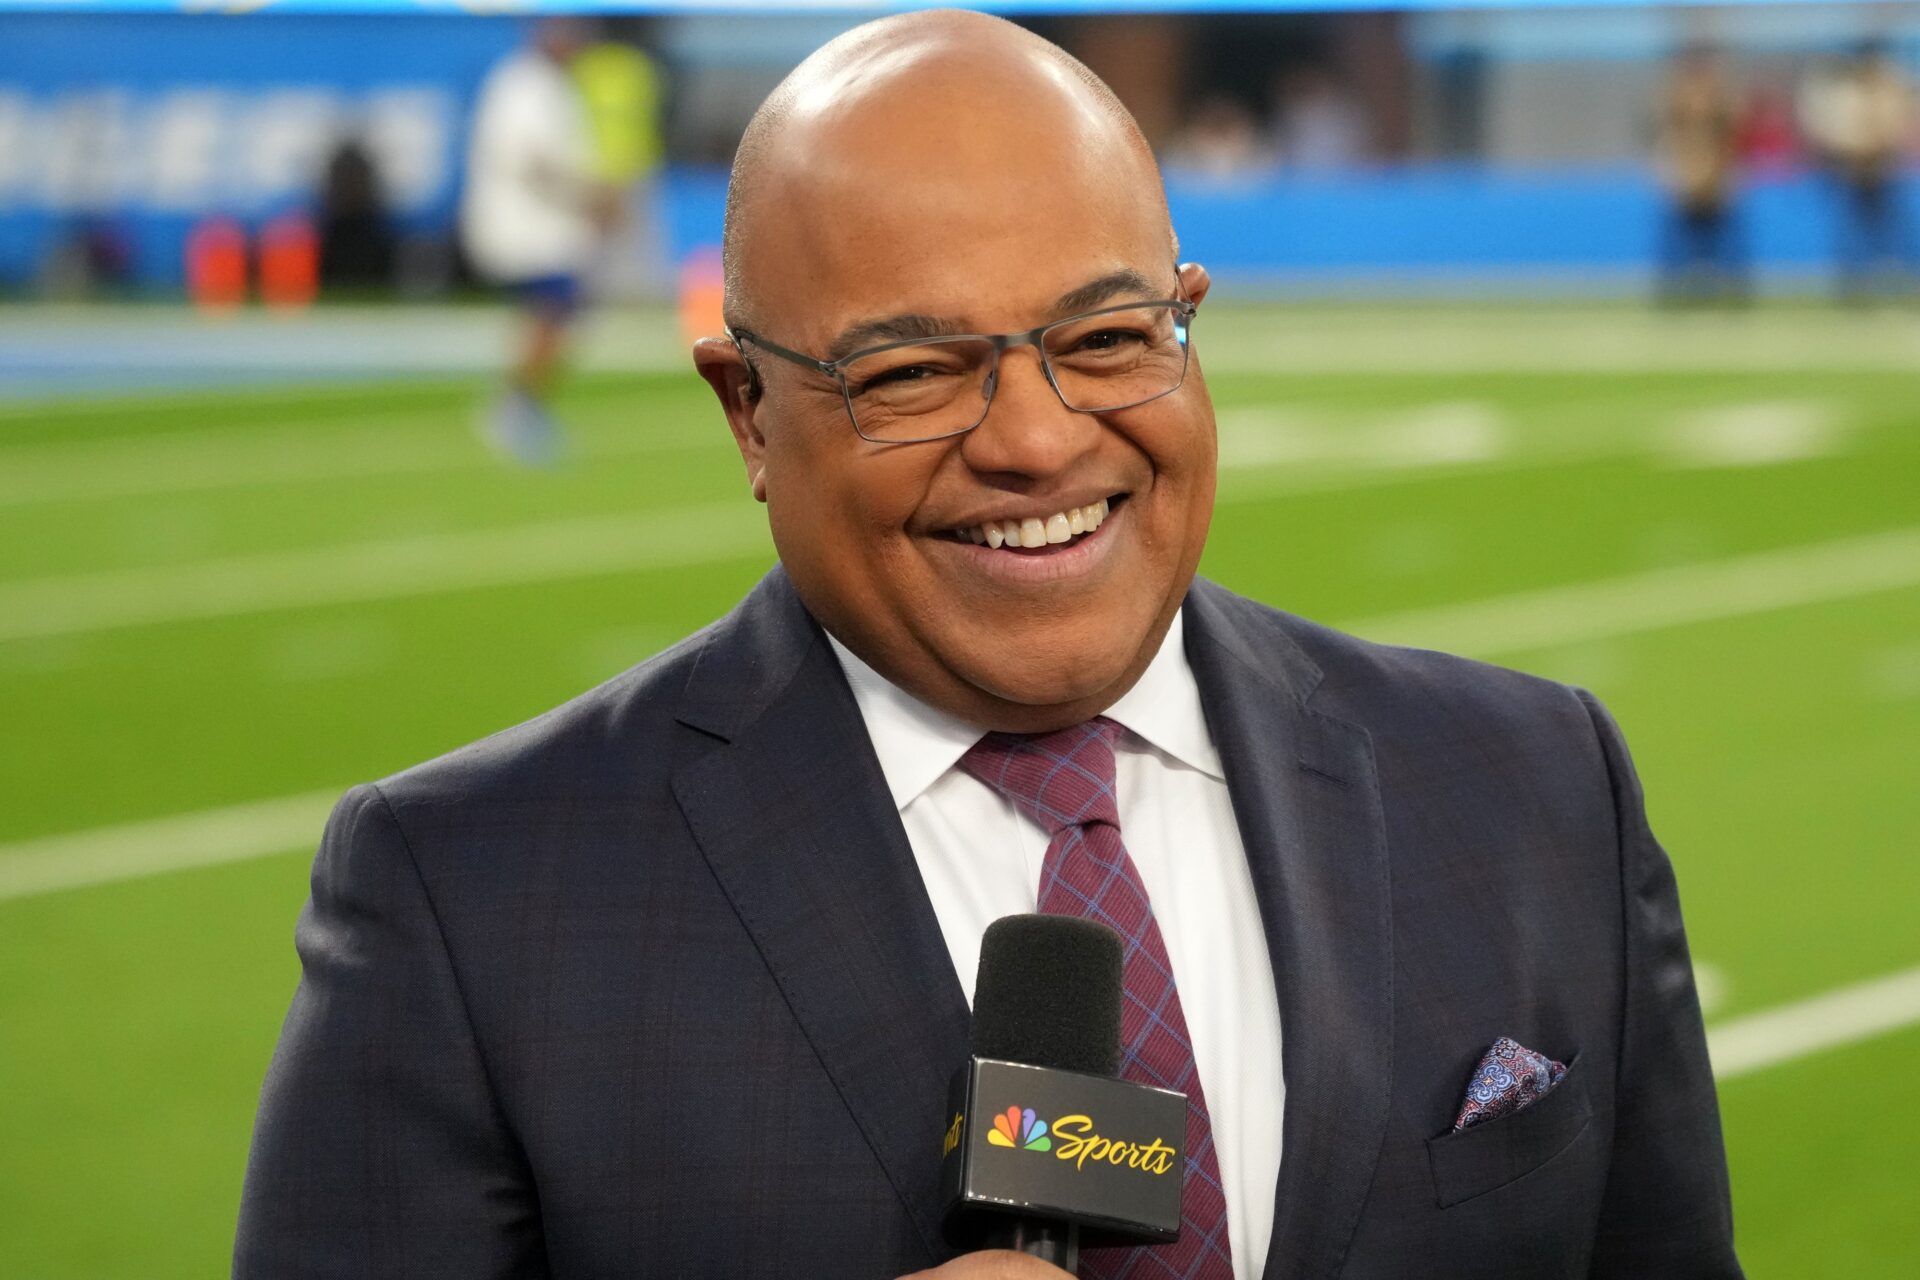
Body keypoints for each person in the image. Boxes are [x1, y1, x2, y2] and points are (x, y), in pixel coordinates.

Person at [236, 12, 1742, 1279]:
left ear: (1188, 325)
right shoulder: (469, 905)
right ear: (748, 413)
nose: (1034, 437)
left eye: (1106, 341)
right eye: (912, 370)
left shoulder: (1541, 790)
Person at [460, 18, 622, 464]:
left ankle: (520, 402)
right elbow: (535, 158)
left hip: (546, 220)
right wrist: (588, 194)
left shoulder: (545, 84)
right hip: (530, 223)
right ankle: (516, 405)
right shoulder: (524, 85)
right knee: (556, 308)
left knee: (557, 313)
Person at [1799, 43, 1917, 302]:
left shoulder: (1889, 89)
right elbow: (1833, 129)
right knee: (1852, 232)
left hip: (1884, 168)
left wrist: (1881, 143)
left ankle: (1895, 280)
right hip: (1853, 169)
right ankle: (1852, 284)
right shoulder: (1848, 93)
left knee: (1891, 230)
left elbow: (1898, 125)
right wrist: (1856, 148)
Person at [1654, 45, 1747, 305]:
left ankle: (1729, 289)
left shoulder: (1720, 97)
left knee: (1721, 238)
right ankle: (1675, 290)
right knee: (1681, 238)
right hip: (1686, 174)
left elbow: (1733, 130)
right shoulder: (1675, 97)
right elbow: (1665, 133)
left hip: (1715, 176)